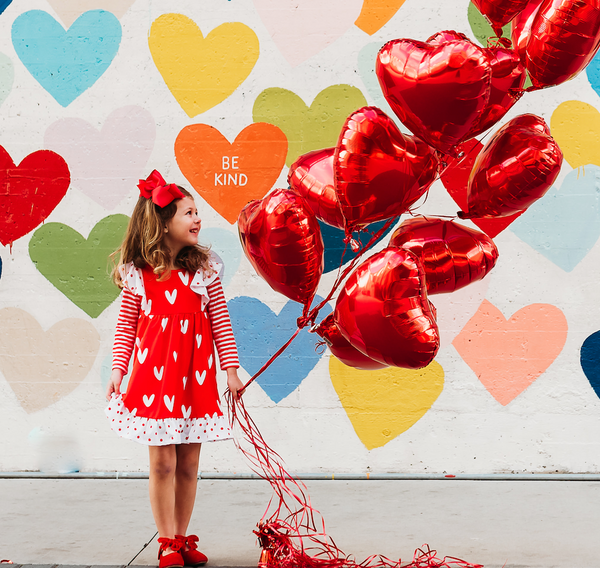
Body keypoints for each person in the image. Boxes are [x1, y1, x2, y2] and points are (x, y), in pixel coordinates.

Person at [105, 170, 244, 568]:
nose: (197, 219)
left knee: (189, 464)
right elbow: (126, 328)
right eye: (188, 212)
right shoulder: (140, 274)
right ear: (164, 223)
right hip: (154, 380)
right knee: (162, 463)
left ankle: (182, 538)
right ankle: (165, 541)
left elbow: (221, 322)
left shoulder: (204, 272)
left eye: (197, 212)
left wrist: (231, 371)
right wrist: (118, 370)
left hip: (194, 380)